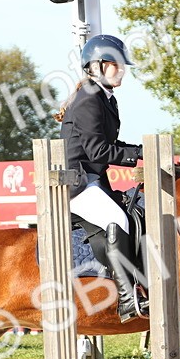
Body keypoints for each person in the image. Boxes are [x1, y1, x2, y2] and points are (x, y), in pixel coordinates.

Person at [57, 34, 145, 322]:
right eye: (116, 64)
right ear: (96, 66)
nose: (122, 70)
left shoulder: (106, 99)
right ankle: (126, 297)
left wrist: (140, 152)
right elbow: (98, 150)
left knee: (133, 214)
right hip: (77, 184)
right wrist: (141, 153)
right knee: (116, 220)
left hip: (94, 180)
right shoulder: (89, 99)